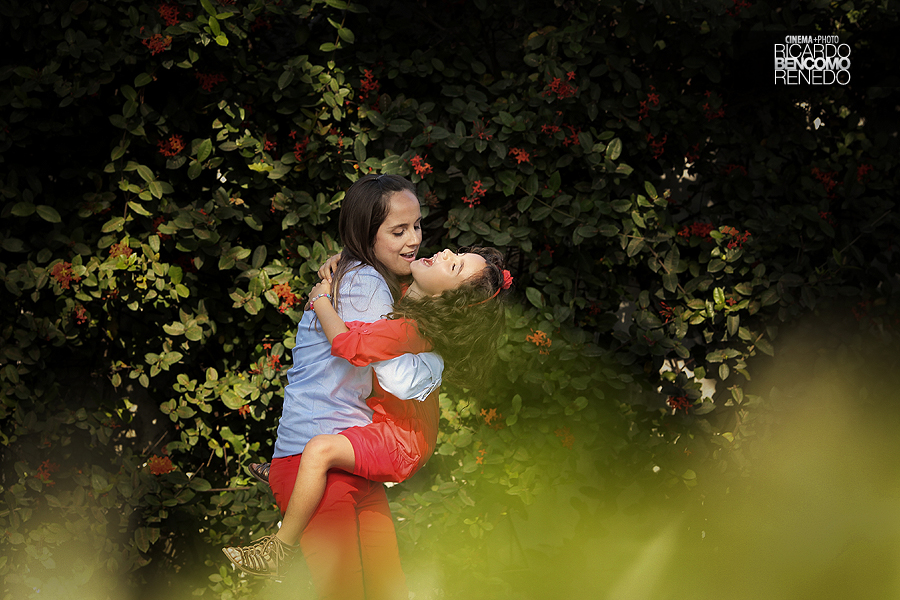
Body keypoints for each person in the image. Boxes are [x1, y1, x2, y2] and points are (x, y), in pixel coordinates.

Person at [222, 246, 511, 579]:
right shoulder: (406, 300)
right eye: (456, 252)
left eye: (455, 265)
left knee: (319, 450)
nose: (446, 252)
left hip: (402, 442)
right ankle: (282, 475)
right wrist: (341, 261)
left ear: (446, 299)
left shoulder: (410, 329)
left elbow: (347, 345)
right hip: (399, 430)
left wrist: (320, 302)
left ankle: (280, 548)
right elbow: (378, 263)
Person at [226, 174, 443, 600]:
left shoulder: (367, 275)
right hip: (317, 455)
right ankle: (276, 548)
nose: (414, 239)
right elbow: (377, 361)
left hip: (348, 450)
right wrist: (438, 354)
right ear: (367, 234)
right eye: (398, 231)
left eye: (416, 226)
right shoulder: (365, 284)